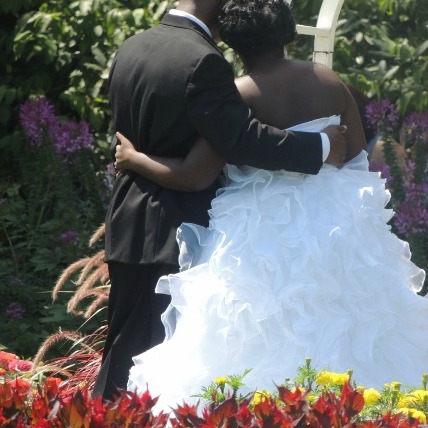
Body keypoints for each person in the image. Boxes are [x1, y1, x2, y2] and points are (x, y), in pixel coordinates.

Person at [118, 0, 428, 413]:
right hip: (338, 223)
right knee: (351, 318)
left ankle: (266, 412)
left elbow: (200, 171)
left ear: (230, 41)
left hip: (259, 226)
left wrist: (133, 159)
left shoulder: (241, 93)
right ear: (290, 34)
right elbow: (355, 158)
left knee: (258, 324)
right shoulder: (328, 80)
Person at [94, 0, 347, 400]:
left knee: (124, 355)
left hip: (130, 218)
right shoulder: (203, 60)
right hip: (173, 226)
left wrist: (136, 160)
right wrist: (318, 147)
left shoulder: (134, 45)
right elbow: (240, 138)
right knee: (142, 370)